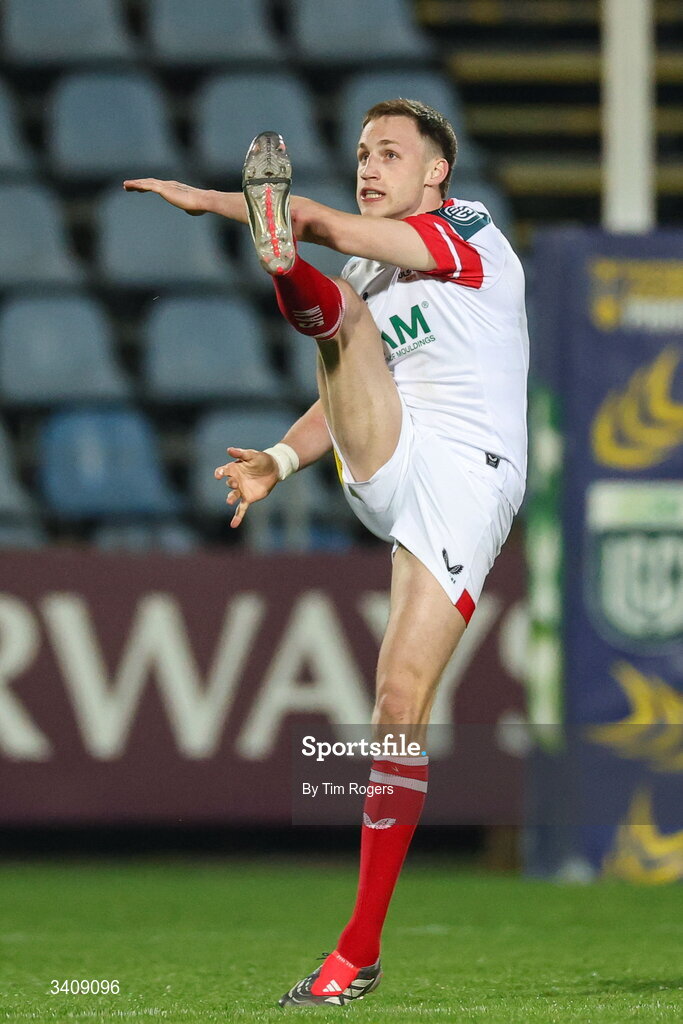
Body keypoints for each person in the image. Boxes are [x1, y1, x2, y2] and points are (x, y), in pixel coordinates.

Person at [124, 98, 528, 1008]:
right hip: (390, 449)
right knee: (342, 315)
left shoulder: (467, 233)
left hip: (469, 479)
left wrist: (218, 202)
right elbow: (349, 386)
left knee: (397, 703)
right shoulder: (364, 274)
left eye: (389, 153)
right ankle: (283, 271)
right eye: (359, 153)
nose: (368, 165)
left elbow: (311, 219)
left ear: (435, 174)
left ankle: (359, 949)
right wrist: (275, 457)